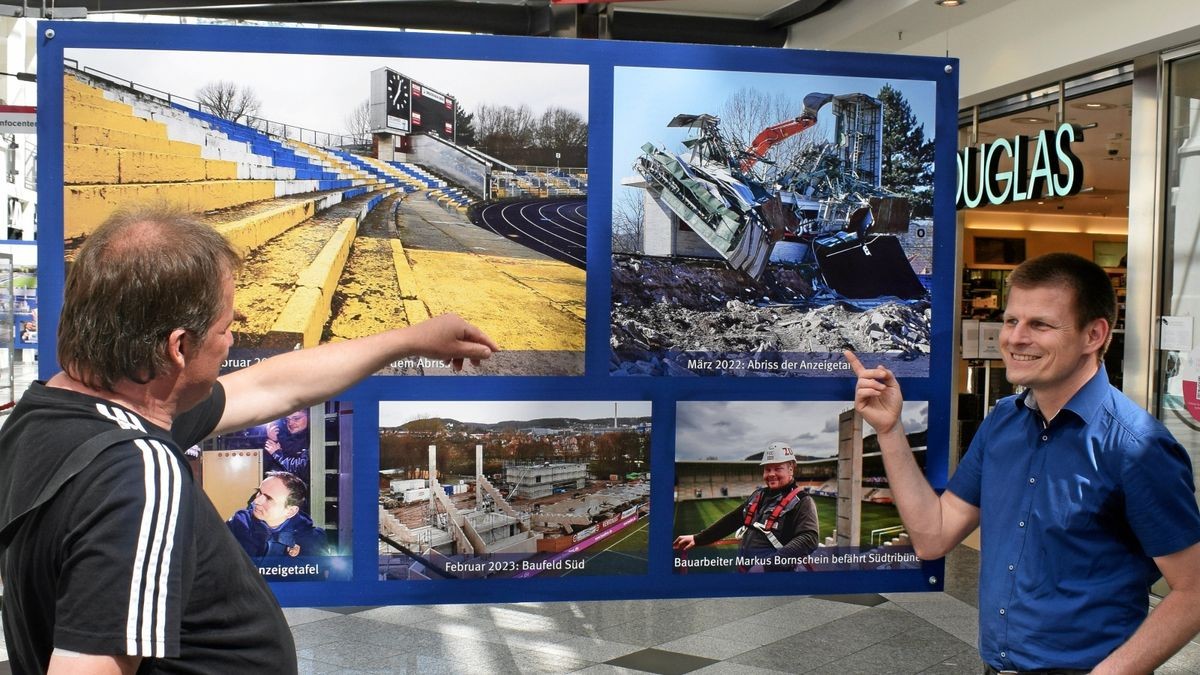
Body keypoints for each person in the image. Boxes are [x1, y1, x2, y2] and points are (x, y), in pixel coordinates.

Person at [0, 203, 499, 674]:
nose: (232, 340)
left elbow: (268, 386)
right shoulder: (136, 473)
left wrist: (409, 339)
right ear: (178, 347)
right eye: (225, 327)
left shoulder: (50, 415)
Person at [847, 251, 1200, 674]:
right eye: (1012, 320)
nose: (1015, 338)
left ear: (1094, 335)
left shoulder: (1136, 448)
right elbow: (933, 537)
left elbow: (1193, 590)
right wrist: (890, 431)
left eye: (1040, 324)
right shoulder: (1002, 423)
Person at [673, 442, 819, 571]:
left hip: (773, 579)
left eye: (778, 468)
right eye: (767, 469)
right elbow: (732, 520)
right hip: (746, 572)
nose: (771, 474)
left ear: (791, 469)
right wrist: (697, 539)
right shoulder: (758, 495)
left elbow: (809, 538)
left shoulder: (802, 501)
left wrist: (767, 566)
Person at [227, 471, 327, 560]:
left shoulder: (312, 540)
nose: (256, 501)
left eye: (269, 498)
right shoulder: (238, 524)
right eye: (259, 492)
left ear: (290, 511)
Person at [263, 408, 310, 485]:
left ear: (310, 417)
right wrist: (274, 440)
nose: (290, 423)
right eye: (287, 420)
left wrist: (277, 453)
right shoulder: (291, 437)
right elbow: (269, 466)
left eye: (296, 418)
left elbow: (303, 469)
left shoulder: (316, 437)